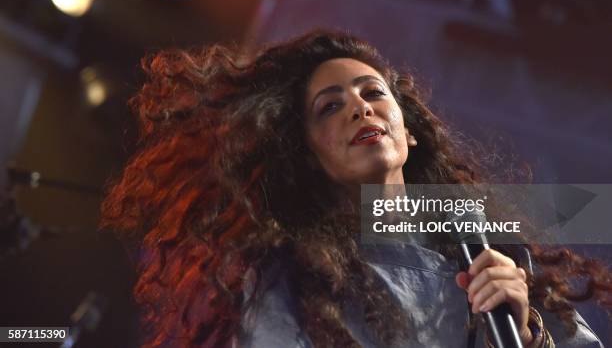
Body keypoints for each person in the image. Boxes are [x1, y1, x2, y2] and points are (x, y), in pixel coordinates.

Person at [100, 29, 609, 347]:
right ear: (307, 153)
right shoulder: (288, 283)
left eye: (373, 94)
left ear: (408, 128)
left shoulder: (488, 243)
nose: (361, 109)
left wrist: (527, 335)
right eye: (330, 106)